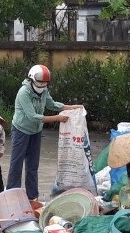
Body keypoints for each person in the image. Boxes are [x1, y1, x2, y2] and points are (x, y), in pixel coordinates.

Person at [6, 64, 83, 201]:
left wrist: (71, 107)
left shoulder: (44, 90)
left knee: (33, 165)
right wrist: (57, 118)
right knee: (16, 164)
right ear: (31, 79)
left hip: (36, 131)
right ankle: (12, 195)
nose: (41, 86)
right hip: (21, 130)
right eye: (39, 83)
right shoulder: (24, 93)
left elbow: (51, 104)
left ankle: (32, 197)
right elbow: (33, 116)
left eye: (44, 83)